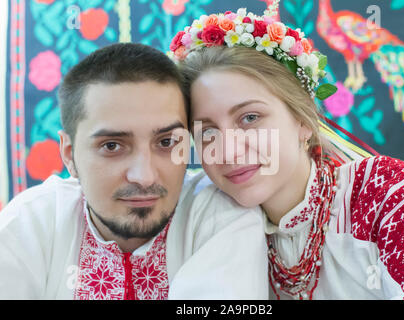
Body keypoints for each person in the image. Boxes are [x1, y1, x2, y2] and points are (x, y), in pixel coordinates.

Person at [169, 5, 404, 300]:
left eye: (250, 118)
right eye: (207, 132)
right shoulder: (210, 223)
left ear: (303, 120)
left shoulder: (385, 195)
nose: (228, 151)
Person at [0, 43, 268, 299]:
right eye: (112, 146)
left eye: (166, 142)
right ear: (70, 155)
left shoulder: (219, 216)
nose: (144, 176)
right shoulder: (30, 224)